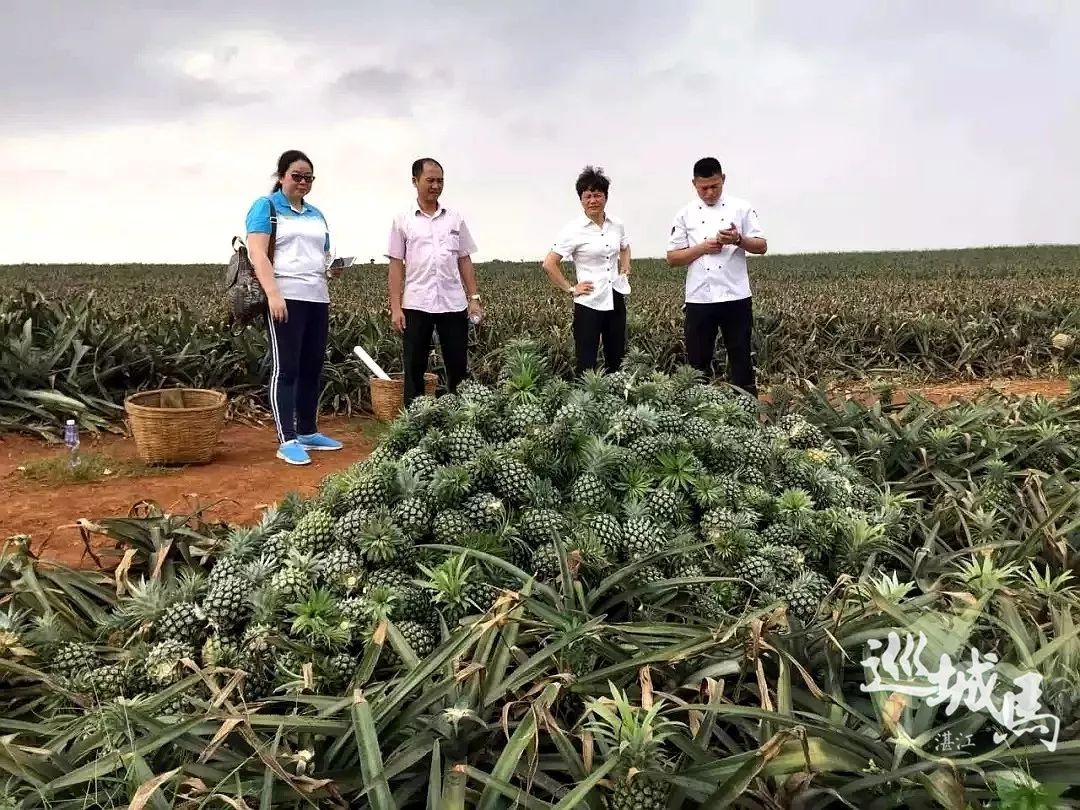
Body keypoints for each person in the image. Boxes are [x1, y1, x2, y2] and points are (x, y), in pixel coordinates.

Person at [245, 149, 344, 466]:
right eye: (296, 176)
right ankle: (286, 438)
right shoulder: (266, 206)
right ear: (281, 176)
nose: (302, 182)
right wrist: (273, 293)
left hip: (317, 295)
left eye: (308, 178)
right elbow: (257, 253)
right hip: (285, 295)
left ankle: (308, 430)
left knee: (312, 366)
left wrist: (333, 270)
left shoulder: (316, 214)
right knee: (286, 368)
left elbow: (322, 255)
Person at [665, 157, 768, 396]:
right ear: (694, 184)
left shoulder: (742, 208)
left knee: (741, 357)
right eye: (704, 188)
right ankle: (698, 411)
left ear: (723, 179)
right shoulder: (685, 215)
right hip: (699, 298)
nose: (710, 193)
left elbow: (761, 246)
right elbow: (672, 258)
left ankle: (746, 409)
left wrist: (738, 240)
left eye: (715, 186)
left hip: (736, 295)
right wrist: (702, 248)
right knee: (697, 361)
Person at [386, 158, 483, 406]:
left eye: (440, 181)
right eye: (430, 180)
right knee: (414, 366)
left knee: (458, 364)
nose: (436, 185)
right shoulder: (402, 220)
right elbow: (396, 265)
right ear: (414, 181)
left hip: (453, 303)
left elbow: (464, 259)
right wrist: (396, 308)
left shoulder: (455, 218)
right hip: (417, 303)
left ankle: (459, 416)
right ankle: (413, 420)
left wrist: (474, 299)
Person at [542, 165, 631, 375]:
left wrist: (625, 266)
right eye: (587, 196)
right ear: (581, 199)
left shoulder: (616, 224)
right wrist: (570, 288)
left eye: (597, 195)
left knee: (616, 359)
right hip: (589, 302)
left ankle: (615, 401)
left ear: (606, 197)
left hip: (615, 297)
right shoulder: (573, 230)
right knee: (586, 362)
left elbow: (625, 246)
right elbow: (549, 263)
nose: (593, 200)